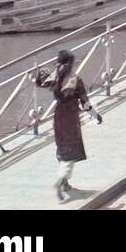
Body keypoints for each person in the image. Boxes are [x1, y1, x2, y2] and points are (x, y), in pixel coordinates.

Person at [34, 49, 102, 201]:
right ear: (71, 63)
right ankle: (61, 179)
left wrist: (39, 71)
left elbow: (39, 82)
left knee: (62, 146)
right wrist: (96, 115)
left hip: (58, 116)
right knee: (72, 148)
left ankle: (65, 183)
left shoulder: (55, 75)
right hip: (70, 117)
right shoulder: (75, 80)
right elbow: (85, 103)